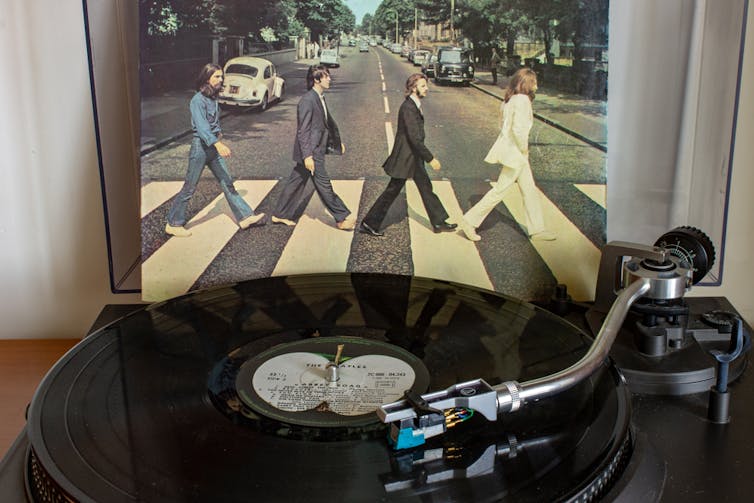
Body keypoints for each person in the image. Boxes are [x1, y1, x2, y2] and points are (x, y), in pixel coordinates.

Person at [165, 63, 264, 237]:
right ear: (206, 78)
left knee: (227, 182)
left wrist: (218, 133)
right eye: (217, 76)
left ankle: (245, 216)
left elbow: (212, 124)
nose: (221, 79)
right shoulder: (197, 100)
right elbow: (202, 128)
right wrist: (217, 143)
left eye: (221, 76)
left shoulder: (212, 98)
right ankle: (173, 223)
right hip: (201, 148)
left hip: (211, 148)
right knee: (189, 187)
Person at [459, 68, 556, 242]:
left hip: (514, 152)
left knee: (529, 190)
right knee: (499, 191)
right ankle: (469, 221)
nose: (537, 85)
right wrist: (524, 149)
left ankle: (537, 229)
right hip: (516, 154)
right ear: (526, 83)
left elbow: (504, 126)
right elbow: (518, 129)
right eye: (534, 82)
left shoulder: (510, 100)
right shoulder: (523, 100)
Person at [359, 73, 456, 237]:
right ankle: (369, 223)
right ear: (413, 88)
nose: (427, 89)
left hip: (413, 156)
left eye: (426, 85)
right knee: (392, 190)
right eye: (423, 86)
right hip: (406, 157)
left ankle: (438, 221)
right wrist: (431, 158)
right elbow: (414, 138)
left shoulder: (414, 105)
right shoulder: (408, 108)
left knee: (426, 188)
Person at [271, 65, 355, 230]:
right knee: (324, 185)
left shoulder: (319, 97)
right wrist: (307, 156)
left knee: (296, 181)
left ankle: (280, 214)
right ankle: (342, 217)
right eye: (326, 76)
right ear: (316, 80)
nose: (329, 79)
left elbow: (323, 125)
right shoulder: (308, 100)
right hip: (311, 151)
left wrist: (336, 144)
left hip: (315, 148)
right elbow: (303, 131)